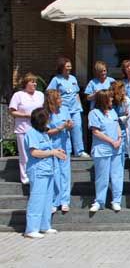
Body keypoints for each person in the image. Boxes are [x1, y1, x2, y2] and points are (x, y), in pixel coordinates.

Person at [23, 108, 66, 239]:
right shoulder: (31, 133)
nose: (49, 119)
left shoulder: (44, 133)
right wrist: (52, 152)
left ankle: (44, 225)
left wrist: (55, 150)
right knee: (37, 199)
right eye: (47, 117)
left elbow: (46, 148)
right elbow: (34, 152)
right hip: (38, 170)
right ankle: (31, 229)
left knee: (47, 199)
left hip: (48, 170)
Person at [88, 90, 124, 212]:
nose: (112, 99)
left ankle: (116, 201)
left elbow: (117, 126)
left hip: (116, 149)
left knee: (117, 176)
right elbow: (96, 131)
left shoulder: (113, 111)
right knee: (101, 177)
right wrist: (111, 141)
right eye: (110, 98)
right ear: (104, 100)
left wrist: (119, 138)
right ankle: (99, 201)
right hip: (102, 149)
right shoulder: (94, 113)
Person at [47, 57, 89, 158]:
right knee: (65, 128)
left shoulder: (73, 78)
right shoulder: (56, 79)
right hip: (63, 109)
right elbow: (49, 93)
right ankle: (66, 150)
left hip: (75, 108)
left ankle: (79, 151)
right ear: (62, 67)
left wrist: (79, 106)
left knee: (77, 127)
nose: (69, 68)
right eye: (67, 66)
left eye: (70, 66)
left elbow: (77, 93)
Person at [9, 73, 45, 184]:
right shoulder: (18, 95)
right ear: (26, 83)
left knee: (38, 152)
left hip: (37, 129)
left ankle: (37, 174)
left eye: (35, 82)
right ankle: (25, 177)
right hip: (23, 129)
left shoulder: (40, 94)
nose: (34, 84)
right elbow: (12, 111)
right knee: (25, 154)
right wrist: (25, 115)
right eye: (32, 82)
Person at [44, 90, 73, 213]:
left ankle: (65, 201)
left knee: (65, 174)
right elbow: (46, 132)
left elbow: (70, 124)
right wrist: (60, 128)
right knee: (55, 174)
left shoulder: (65, 110)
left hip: (65, 145)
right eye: (59, 98)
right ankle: (55, 201)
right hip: (52, 147)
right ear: (53, 100)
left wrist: (70, 125)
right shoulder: (46, 114)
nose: (61, 100)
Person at [110, 81, 130, 163]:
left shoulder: (126, 100)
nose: (123, 93)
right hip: (112, 129)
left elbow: (129, 115)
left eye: (124, 90)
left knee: (121, 151)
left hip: (122, 129)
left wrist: (120, 118)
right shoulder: (110, 100)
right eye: (121, 91)